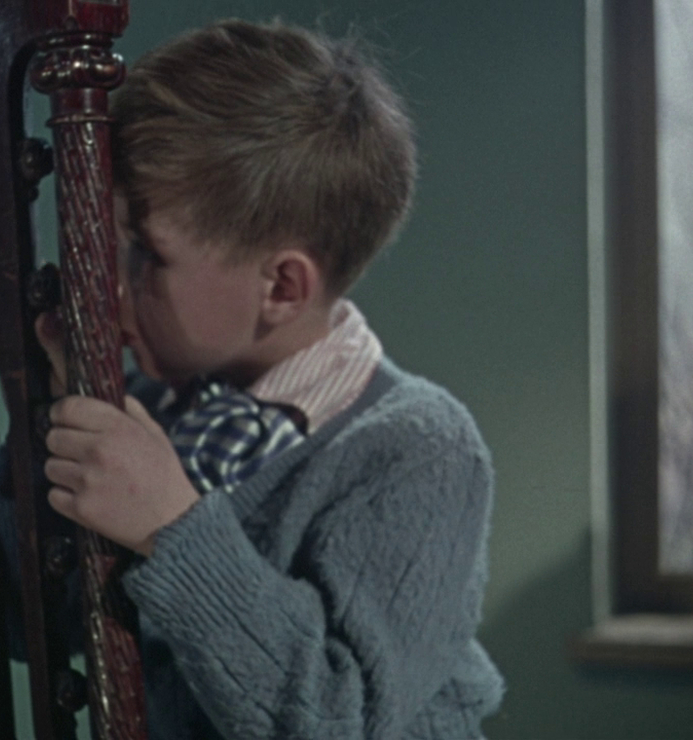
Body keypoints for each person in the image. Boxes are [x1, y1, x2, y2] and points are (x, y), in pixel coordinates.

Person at [31, 18, 503, 739]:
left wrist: (171, 527)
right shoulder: (154, 407)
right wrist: (62, 417)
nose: (109, 287)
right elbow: (39, 626)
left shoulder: (420, 450)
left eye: (146, 256)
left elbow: (337, 719)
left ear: (281, 287)